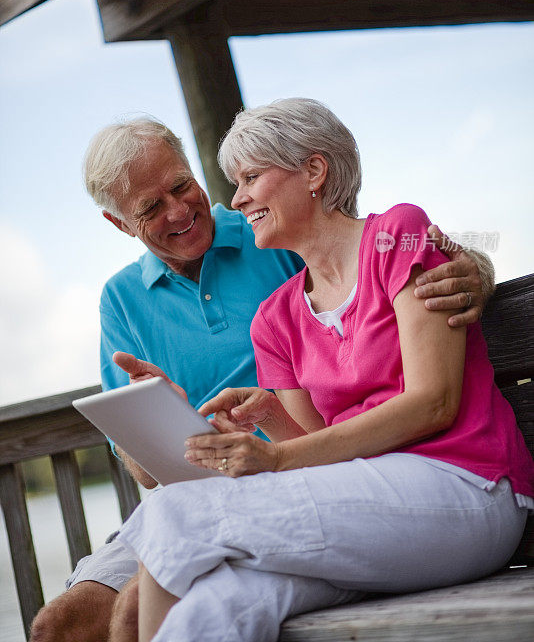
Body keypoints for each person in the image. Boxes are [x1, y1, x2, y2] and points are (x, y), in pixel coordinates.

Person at [29, 117, 495, 642]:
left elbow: (382, 244)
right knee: (59, 626)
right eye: (151, 209)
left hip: (319, 476)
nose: (180, 211)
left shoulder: (273, 230)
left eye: (182, 186)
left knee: (148, 594)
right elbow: (142, 468)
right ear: (120, 224)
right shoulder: (131, 300)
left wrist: (473, 265)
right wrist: (166, 417)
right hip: (228, 481)